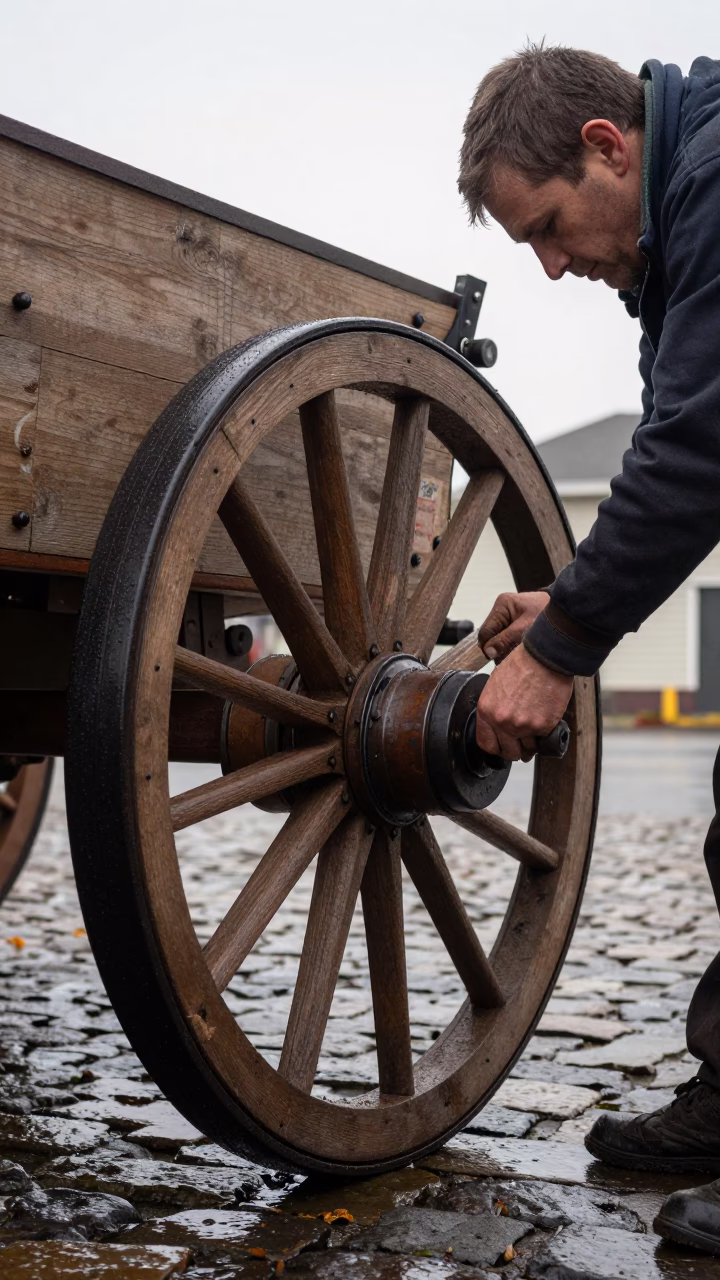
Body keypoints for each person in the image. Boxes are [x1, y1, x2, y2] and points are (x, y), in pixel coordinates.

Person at [459, 44, 720, 1255]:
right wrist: (574, 590)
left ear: (609, 146)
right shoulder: (669, 229)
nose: (554, 264)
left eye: (550, 227)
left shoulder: (715, 179)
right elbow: (687, 434)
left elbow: (698, 448)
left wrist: (561, 645)